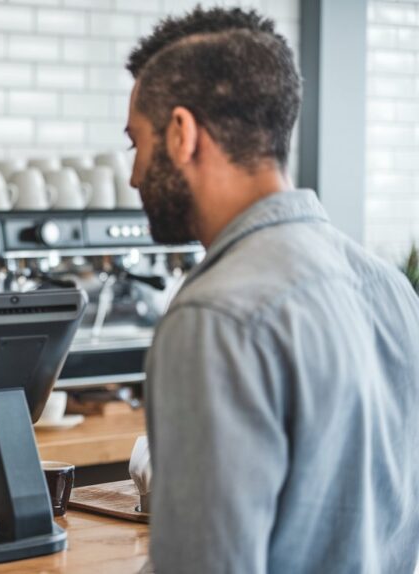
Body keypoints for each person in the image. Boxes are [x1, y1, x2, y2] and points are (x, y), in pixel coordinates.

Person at [124, 7, 419, 572]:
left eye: (136, 142)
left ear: (182, 134)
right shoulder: (390, 287)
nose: (135, 174)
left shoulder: (215, 316)